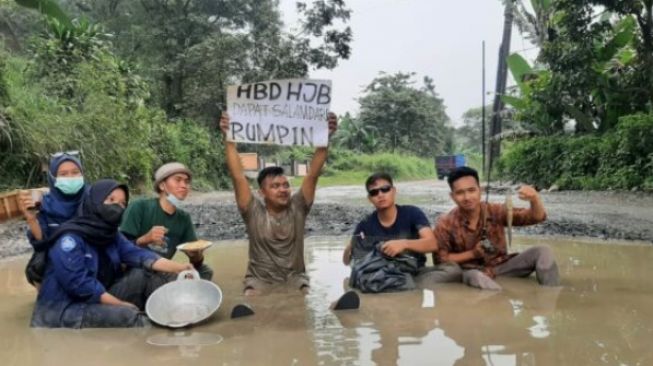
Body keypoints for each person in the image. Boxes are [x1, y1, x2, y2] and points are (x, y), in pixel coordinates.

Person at [31, 179, 192, 328]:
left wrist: (181, 268)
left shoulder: (112, 235)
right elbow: (81, 285)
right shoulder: (69, 239)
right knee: (129, 316)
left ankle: (173, 315)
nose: (117, 207)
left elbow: (140, 255)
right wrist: (119, 304)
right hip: (62, 310)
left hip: (96, 298)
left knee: (145, 274)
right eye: (111, 200)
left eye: (122, 204)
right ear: (94, 201)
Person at [219, 111, 337, 295]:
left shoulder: (298, 206)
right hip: (259, 280)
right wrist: (228, 138)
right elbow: (237, 176)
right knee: (250, 298)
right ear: (261, 192)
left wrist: (325, 137)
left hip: (295, 278)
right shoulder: (252, 210)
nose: (283, 189)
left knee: (305, 297)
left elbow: (313, 173)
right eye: (275, 186)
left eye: (285, 185)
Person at [433, 166, 559, 290]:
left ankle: (551, 297)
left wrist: (535, 199)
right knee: (476, 276)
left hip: (502, 267)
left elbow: (536, 217)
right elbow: (441, 261)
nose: (467, 197)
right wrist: (472, 254)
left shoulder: (496, 211)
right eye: (460, 193)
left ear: (480, 191)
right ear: (452, 196)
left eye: (471, 190)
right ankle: (499, 301)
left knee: (543, 251)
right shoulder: (445, 223)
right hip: (470, 273)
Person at [342, 172, 461, 292]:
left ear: (393, 191)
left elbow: (432, 244)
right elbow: (347, 262)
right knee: (358, 276)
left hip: (415, 273)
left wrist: (404, 244)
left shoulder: (412, 213)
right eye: (374, 192)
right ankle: (396, 287)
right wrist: (350, 247)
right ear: (370, 198)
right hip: (382, 274)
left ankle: (400, 287)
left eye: (385, 189)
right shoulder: (365, 224)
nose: (380, 195)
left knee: (452, 270)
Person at [120, 162, 213, 280]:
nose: (184, 185)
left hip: (164, 269)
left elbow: (196, 264)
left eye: (186, 181)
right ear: (162, 186)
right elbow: (119, 250)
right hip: (137, 266)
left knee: (204, 272)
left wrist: (196, 255)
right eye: (178, 180)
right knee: (141, 274)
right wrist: (145, 239)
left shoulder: (184, 218)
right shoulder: (139, 207)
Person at [19, 152, 87, 288]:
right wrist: (31, 219)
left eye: (75, 172)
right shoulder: (44, 203)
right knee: (36, 267)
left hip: (89, 254)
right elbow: (41, 241)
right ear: (53, 177)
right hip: (57, 257)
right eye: (63, 174)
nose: (70, 178)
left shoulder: (94, 197)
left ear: (82, 174)